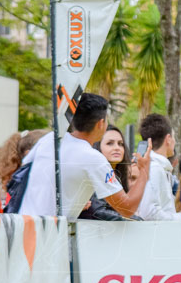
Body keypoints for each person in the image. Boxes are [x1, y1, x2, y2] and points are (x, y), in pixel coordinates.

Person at [19, 94, 150, 219]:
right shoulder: (93, 158)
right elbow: (126, 209)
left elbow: (24, 170)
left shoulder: (50, 139)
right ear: (101, 123)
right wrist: (144, 170)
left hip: (22, 224)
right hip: (49, 234)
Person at [136, 113, 181, 221]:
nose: (174, 142)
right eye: (174, 137)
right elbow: (148, 213)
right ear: (168, 139)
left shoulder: (159, 168)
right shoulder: (155, 168)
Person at [79, 125, 134, 221]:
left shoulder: (119, 176)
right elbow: (98, 212)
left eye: (120, 144)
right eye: (110, 143)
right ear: (98, 146)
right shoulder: (93, 174)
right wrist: (138, 221)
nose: (117, 148)